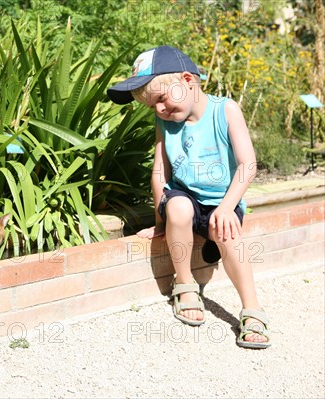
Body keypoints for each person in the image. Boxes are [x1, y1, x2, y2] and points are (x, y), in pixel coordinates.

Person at [107, 45, 270, 349]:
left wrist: (226, 207)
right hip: (185, 198)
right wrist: (160, 220)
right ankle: (184, 285)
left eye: (161, 98)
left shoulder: (225, 110)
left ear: (187, 80)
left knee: (227, 232)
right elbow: (161, 172)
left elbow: (247, 164)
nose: (158, 109)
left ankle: (251, 307)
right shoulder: (165, 123)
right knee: (179, 207)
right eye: (151, 105)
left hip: (223, 200)